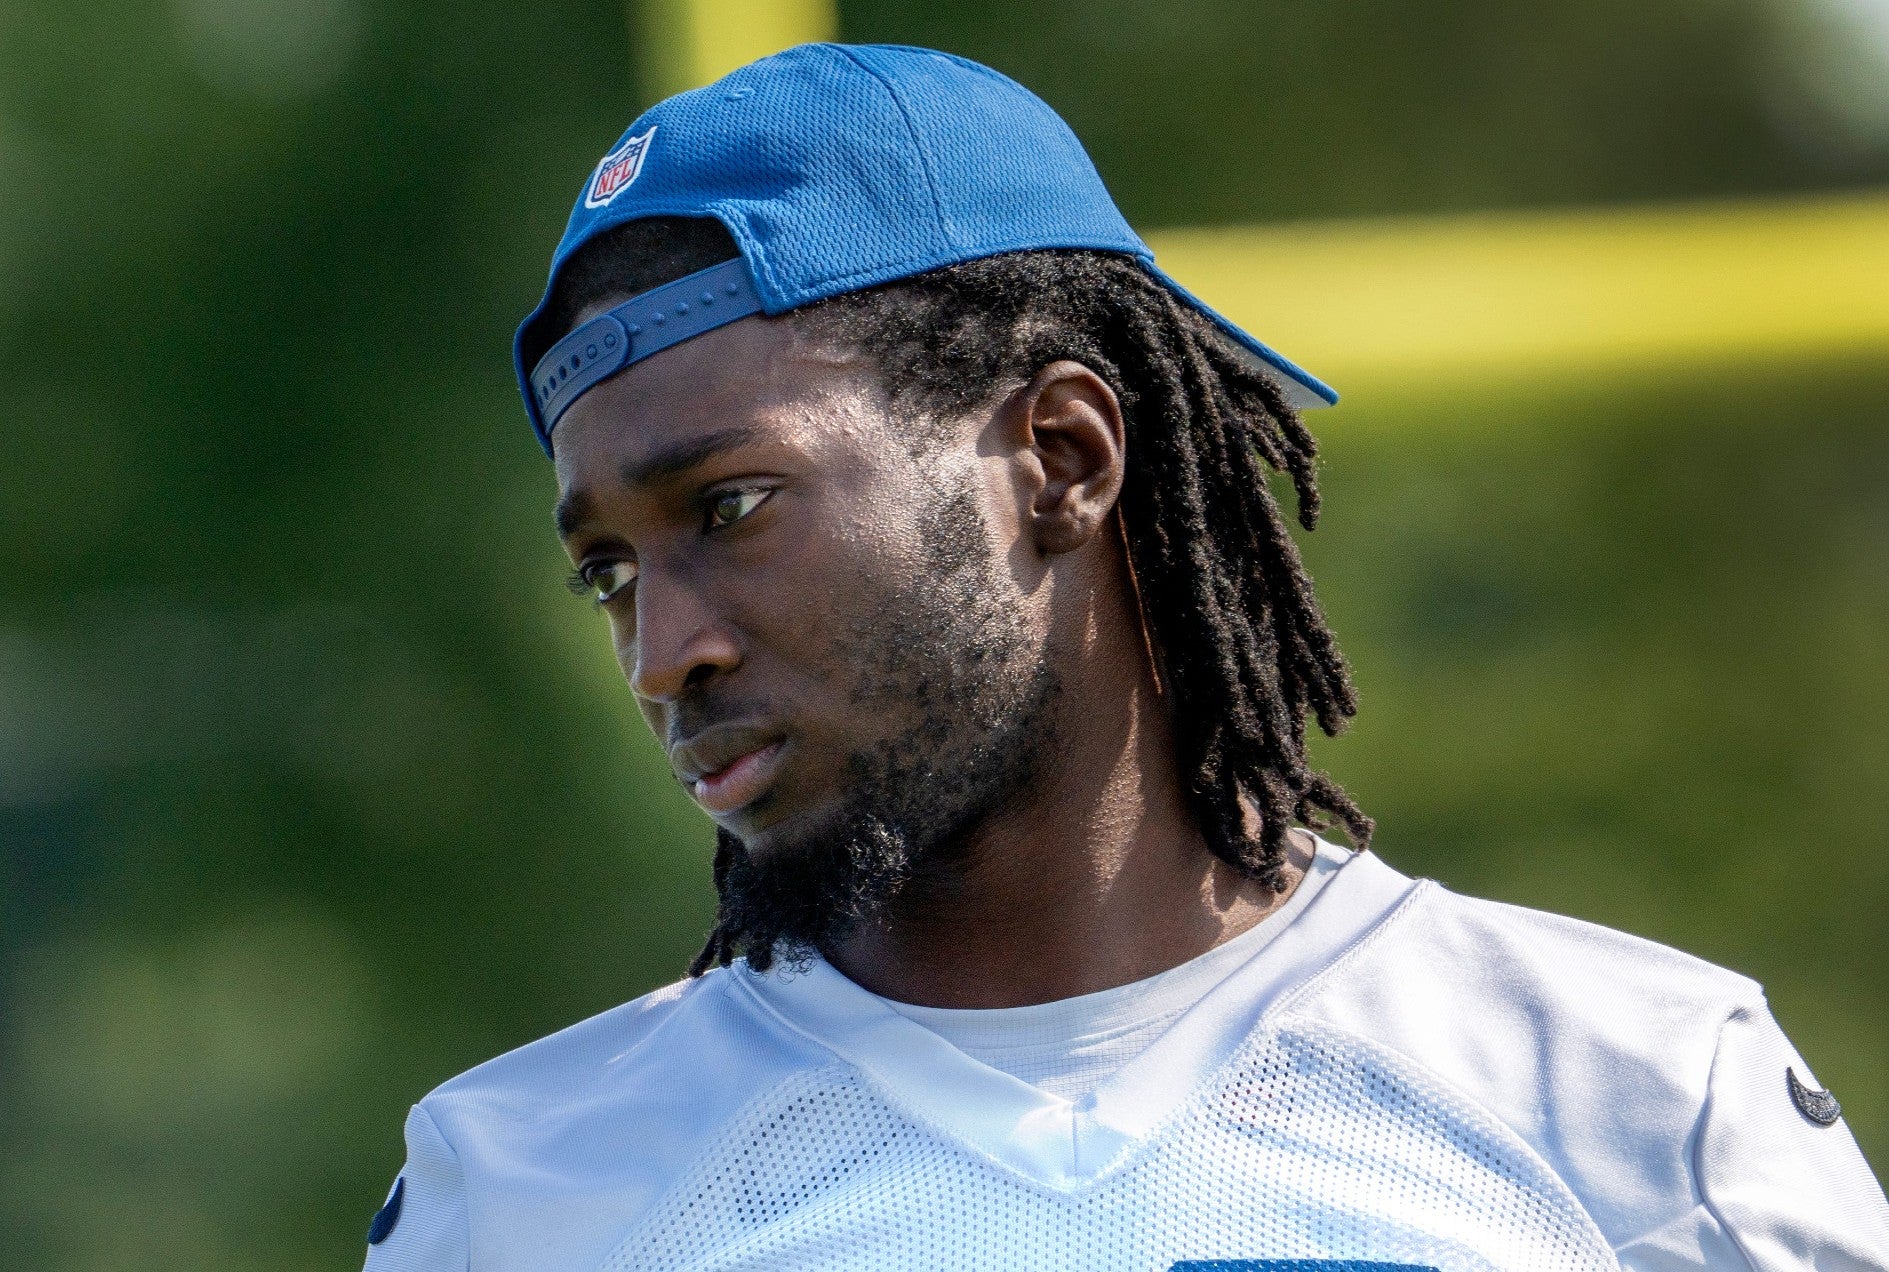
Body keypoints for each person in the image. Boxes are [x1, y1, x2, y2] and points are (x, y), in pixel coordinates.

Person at [362, 43, 1889, 1271]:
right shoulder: (519, 1192)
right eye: (608, 571)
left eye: (734, 506)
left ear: (1062, 456)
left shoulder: (1633, 1095)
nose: (660, 652)